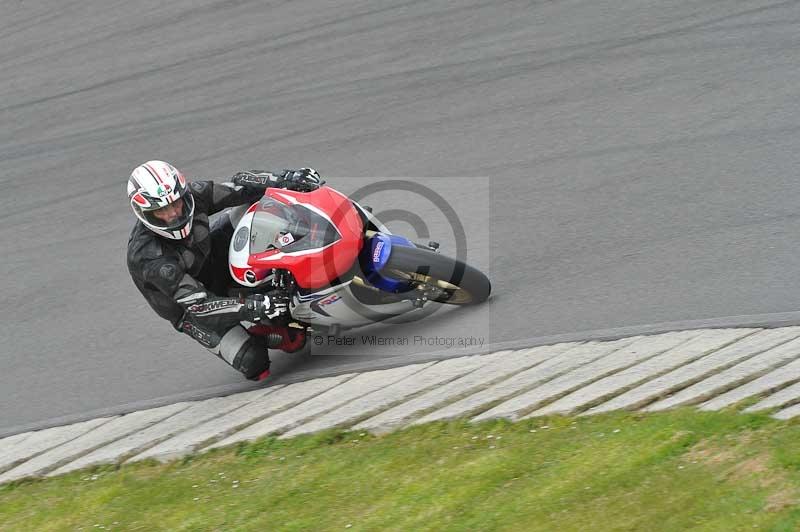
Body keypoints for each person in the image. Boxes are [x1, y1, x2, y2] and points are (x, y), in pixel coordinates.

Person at [126, 160, 322, 381]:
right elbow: (200, 306)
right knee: (255, 363)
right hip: (192, 311)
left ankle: (307, 250)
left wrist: (286, 178)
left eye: (176, 203)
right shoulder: (148, 257)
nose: (174, 214)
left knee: (260, 204)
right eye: (162, 210)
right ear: (145, 213)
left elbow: (241, 187)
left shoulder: (194, 195)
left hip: (212, 258)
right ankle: (266, 332)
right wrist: (253, 307)